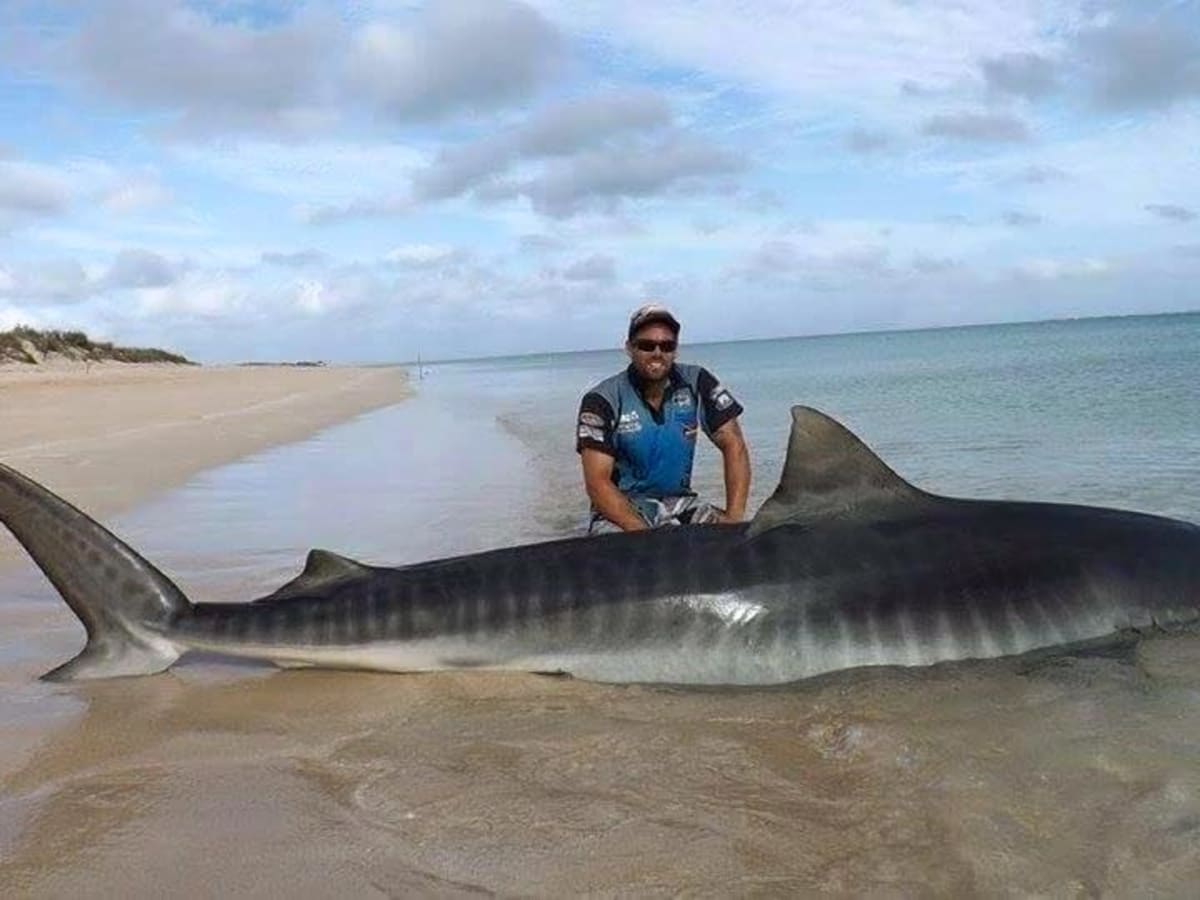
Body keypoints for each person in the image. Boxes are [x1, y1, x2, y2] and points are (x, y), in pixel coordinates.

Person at [576, 303, 751, 534]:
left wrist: (734, 519)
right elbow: (597, 483)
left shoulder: (697, 381)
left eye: (667, 346)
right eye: (647, 345)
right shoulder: (602, 399)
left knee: (734, 542)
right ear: (629, 348)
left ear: (675, 350)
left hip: (680, 504)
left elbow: (734, 445)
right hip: (621, 509)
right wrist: (643, 536)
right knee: (626, 560)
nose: (657, 353)